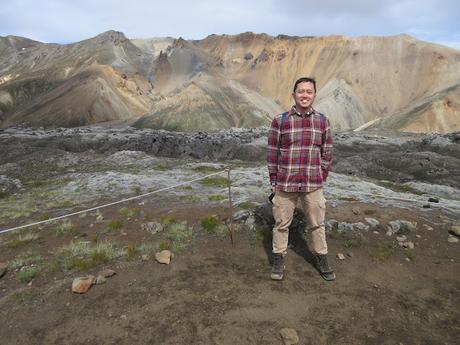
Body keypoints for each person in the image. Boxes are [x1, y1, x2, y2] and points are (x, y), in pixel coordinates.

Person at [267, 77, 335, 281]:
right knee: (281, 223)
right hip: (285, 183)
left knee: (317, 223)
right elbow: (272, 153)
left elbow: (327, 153)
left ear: (314, 95)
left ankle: (322, 258)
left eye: (309, 91)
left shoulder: (323, 121)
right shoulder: (280, 121)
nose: (305, 95)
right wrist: (274, 180)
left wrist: (320, 176)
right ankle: (278, 258)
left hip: (313, 184)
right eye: (301, 91)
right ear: (294, 94)